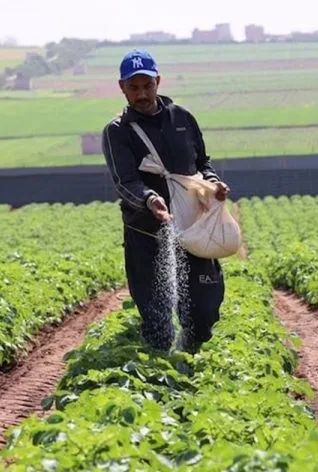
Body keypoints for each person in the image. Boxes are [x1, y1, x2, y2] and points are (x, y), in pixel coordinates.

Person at [101, 49, 231, 354]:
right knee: (156, 314)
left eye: (147, 85)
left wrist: (213, 185)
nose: (142, 94)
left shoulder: (182, 119)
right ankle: (161, 370)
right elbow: (125, 181)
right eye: (134, 87)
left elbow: (202, 163)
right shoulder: (118, 132)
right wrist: (150, 200)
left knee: (204, 308)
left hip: (192, 228)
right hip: (148, 234)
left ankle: (189, 353)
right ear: (122, 87)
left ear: (158, 81)